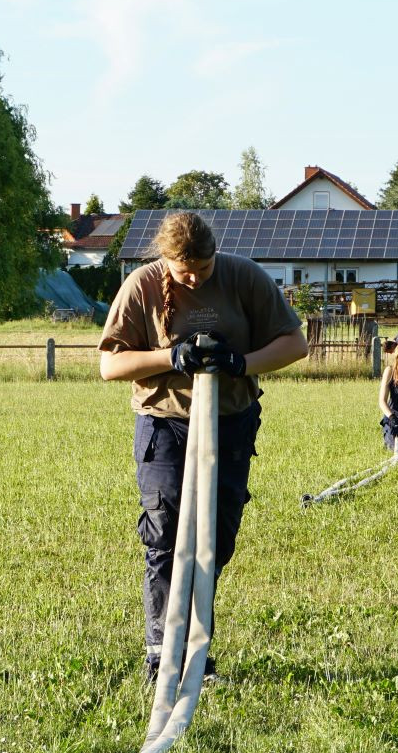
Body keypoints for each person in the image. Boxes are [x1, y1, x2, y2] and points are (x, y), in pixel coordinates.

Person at [99, 212, 308, 680]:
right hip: (165, 424)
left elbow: (295, 343)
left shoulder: (243, 277)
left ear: (216, 254)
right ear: (165, 261)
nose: (194, 278)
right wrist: (170, 357)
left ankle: (196, 645)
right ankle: (162, 652)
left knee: (215, 537)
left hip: (230, 422)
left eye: (203, 268)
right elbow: (110, 365)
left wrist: (241, 362)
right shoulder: (143, 285)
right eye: (183, 271)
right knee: (166, 536)